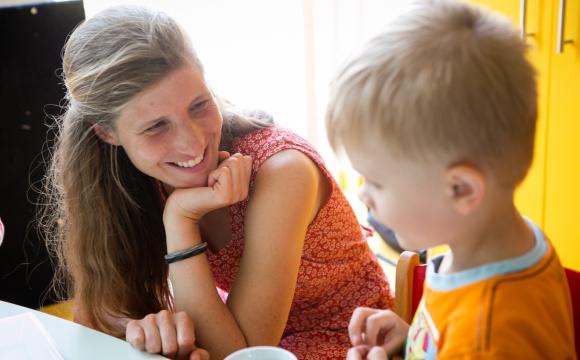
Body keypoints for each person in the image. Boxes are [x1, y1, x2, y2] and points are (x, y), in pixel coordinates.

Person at [39, 5, 393, 360]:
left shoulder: (282, 171)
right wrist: (140, 330)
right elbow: (92, 320)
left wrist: (180, 219)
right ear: (108, 133)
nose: (193, 143)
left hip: (351, 342)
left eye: (199, 105)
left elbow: (243, 355)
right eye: (156, 126)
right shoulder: (123, 174)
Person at [325, 0, 576, 359]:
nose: (363, 194)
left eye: (376, 181)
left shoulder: (487, 342)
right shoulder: (513, 244)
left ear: (461, 190)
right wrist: (414, 337)